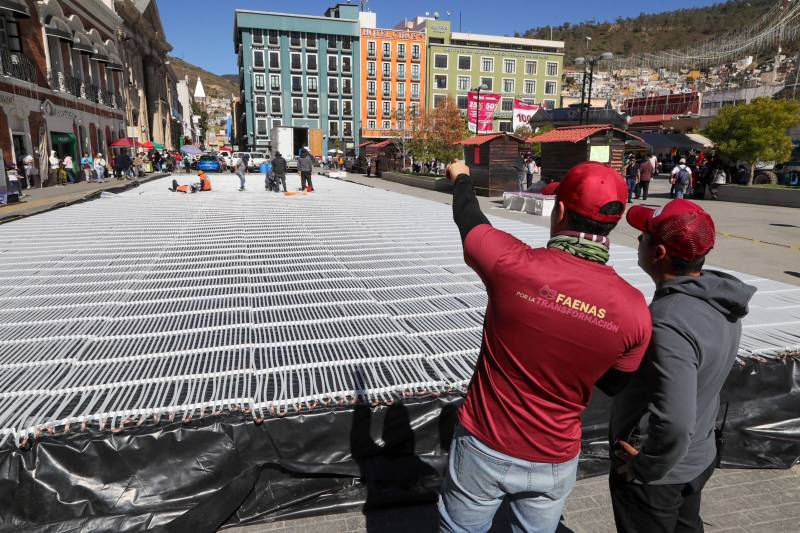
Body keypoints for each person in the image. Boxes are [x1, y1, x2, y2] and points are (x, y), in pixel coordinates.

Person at [437, 160, 652, 533]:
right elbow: (614, 385)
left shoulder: (511, 263)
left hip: (485, 444)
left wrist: (463, 178)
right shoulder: (635, 310)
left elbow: (469, 219)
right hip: (556, 457)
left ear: (562, 210)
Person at [610, 200, 756, 533]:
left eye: (643, 236)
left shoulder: (668, 322)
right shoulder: (720, 298)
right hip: (697, 458)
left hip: (657, 477)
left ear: (658, 252)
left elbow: (675, 421)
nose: (637, 241)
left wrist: (646, 466)